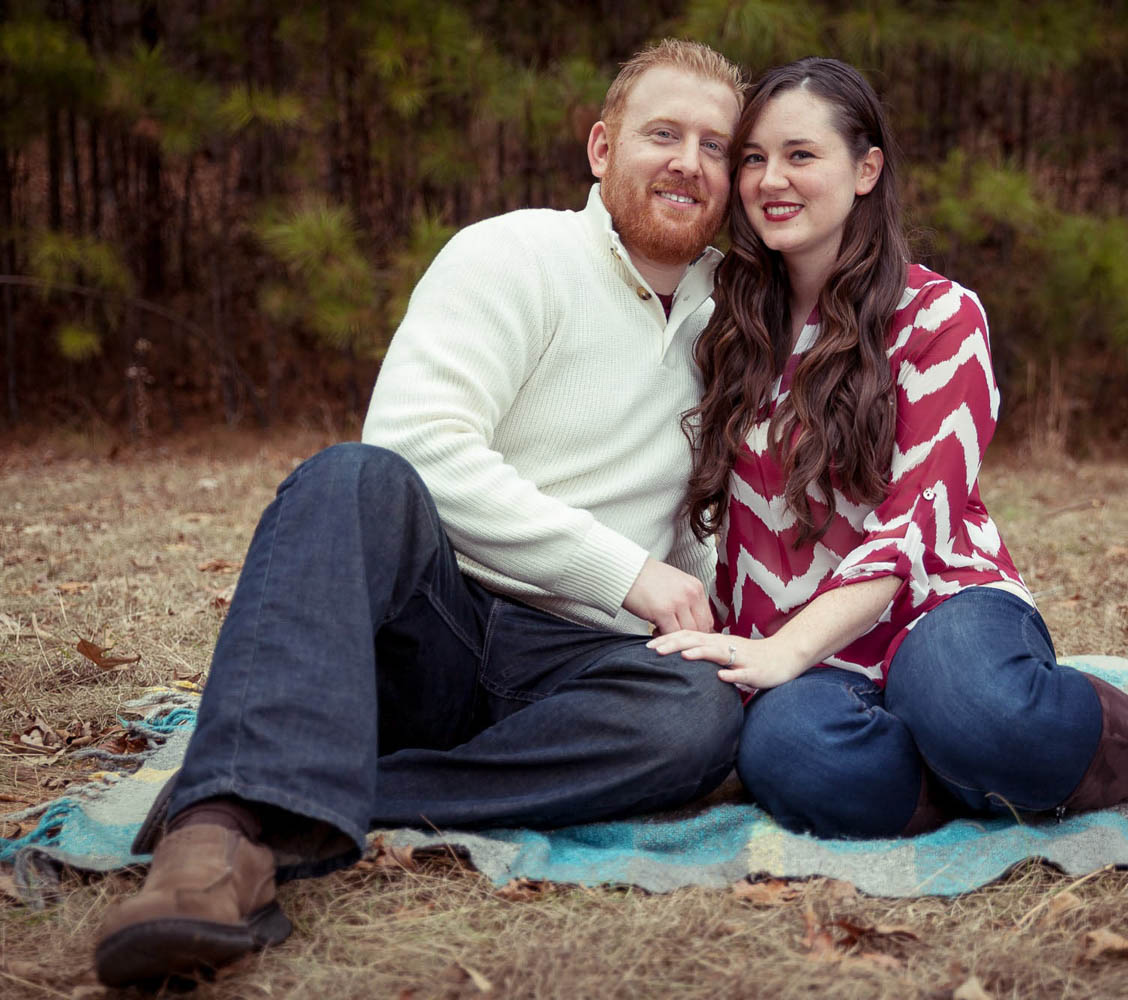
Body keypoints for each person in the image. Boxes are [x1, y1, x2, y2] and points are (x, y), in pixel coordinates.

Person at [94, 39, 746, 987]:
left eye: (717, 146)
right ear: (602, 147)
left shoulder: (741, 316)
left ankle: (303, 804)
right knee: (354, 478)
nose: (690, 161)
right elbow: (421, 446)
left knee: (697, 716)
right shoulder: (511, 254)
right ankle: (214, 837)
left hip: (576, 670)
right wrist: (624, 571)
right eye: (663, 133)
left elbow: (720, 511)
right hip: (434, 622)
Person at [646, 57, 1128, 839]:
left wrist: (789, 650)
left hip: (935, 605)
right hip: (794, 650)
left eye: (801, 155)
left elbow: (912, 526)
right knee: (805, 767)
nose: (771, 180)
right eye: (755, 157)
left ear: (866, 169)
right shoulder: (729, 322)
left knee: (976, 709)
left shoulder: (941, 318)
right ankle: (1068, 742)